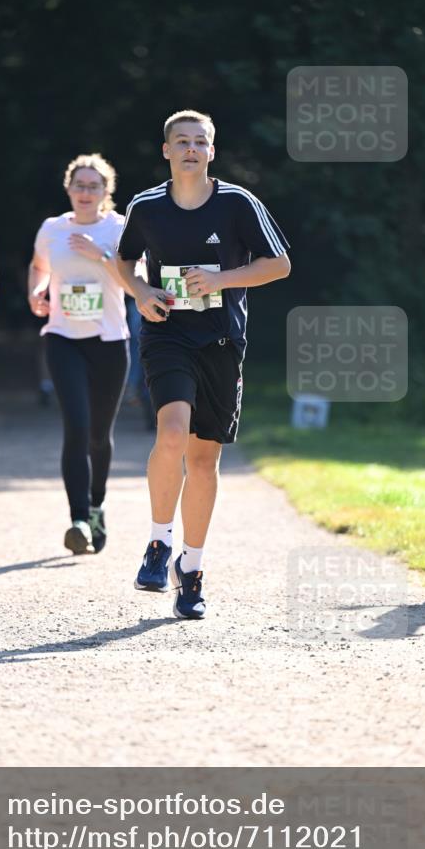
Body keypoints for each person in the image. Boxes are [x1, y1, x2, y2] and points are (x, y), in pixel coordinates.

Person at [117, 109, 291, 619]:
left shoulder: (237, 203)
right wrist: (143, 291)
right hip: (167, 334)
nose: (191, 149)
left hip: (220, 341)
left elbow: (279, 265)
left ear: (211, 151)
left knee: (203, 461)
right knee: (171, 432)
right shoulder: (146, 206)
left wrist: (220, 280)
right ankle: (157, 545)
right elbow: (123, 262)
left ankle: (190, 571)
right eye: (182, 142)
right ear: (166, 150)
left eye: (200, 142)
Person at [27, 153, 129, 555]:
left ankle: (97, 505)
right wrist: (37, 290)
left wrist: (99, 256)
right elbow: (39, 266)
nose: (86, 192)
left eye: (94, 186)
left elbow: (136, 279)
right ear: (68, 188)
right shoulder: (52, 228)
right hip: (63, 338)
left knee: (99, 436)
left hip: (108, 341)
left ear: (106, 192)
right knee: (77, 428)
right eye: (79, 185)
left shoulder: (119, 228)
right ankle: (79, 521)